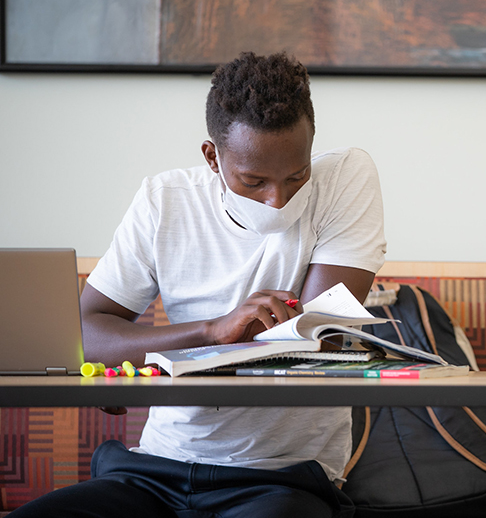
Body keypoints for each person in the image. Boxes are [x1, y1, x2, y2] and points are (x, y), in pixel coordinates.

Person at [9, 52, 386, 518]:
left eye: (295, 175)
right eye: (254, 181)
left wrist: (143, 351)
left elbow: (307, 339)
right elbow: (83, 336)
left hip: (281, 480)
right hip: (157, 470)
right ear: (212, 157)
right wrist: (211, 331)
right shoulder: (164, 201)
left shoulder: (344, 179)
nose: (277, 199)